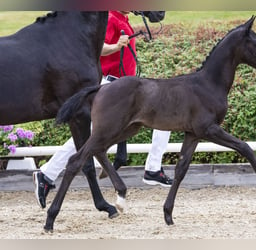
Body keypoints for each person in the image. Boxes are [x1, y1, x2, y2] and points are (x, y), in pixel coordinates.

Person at [33, 11, 172, 209]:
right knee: (89, 137)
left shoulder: (122, 18)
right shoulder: (110, 18)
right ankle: (47, 173)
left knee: (163, 114)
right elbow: (97, 48)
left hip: (128, 88)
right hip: (113, 88)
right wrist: (116, 46)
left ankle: (153, 168)